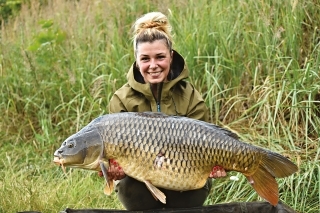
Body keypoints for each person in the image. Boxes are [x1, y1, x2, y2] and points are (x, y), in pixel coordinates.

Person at [105, 12, 296, 213]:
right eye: (145, 58)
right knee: (130, 185)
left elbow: (205, 140)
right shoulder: (121, 99)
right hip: (139, 183)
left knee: (193, 190)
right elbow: (114, 156)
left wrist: (216, 164)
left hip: (186, 176)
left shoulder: (189, 95)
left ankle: (254, 162)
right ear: (136, 60)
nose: (153, 65)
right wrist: (115, 172)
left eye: (160, 57)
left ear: (171, 56)